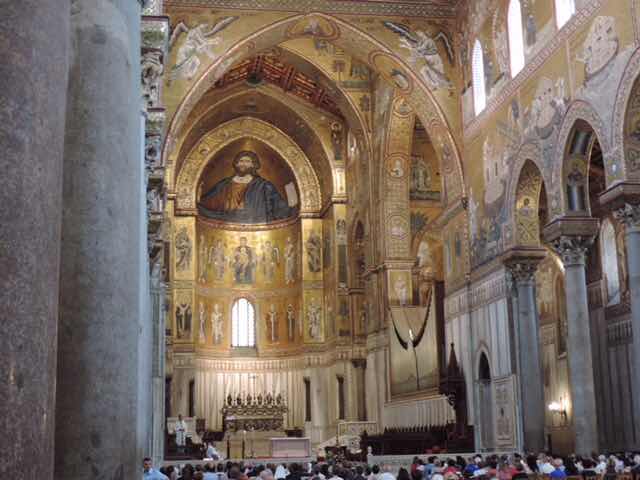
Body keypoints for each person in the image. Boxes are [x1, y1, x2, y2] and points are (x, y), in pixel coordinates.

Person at [198, 150, 296, 224]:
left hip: (257, 224)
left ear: (253, 165)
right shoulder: (224, 184)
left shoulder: (264, 185)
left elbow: (279, 208)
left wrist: (292, 204)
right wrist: (198, 197)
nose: (243, 164)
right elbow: (207, 203)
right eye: (241, 161)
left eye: (247, 161)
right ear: (236, 164)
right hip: (226, 221)